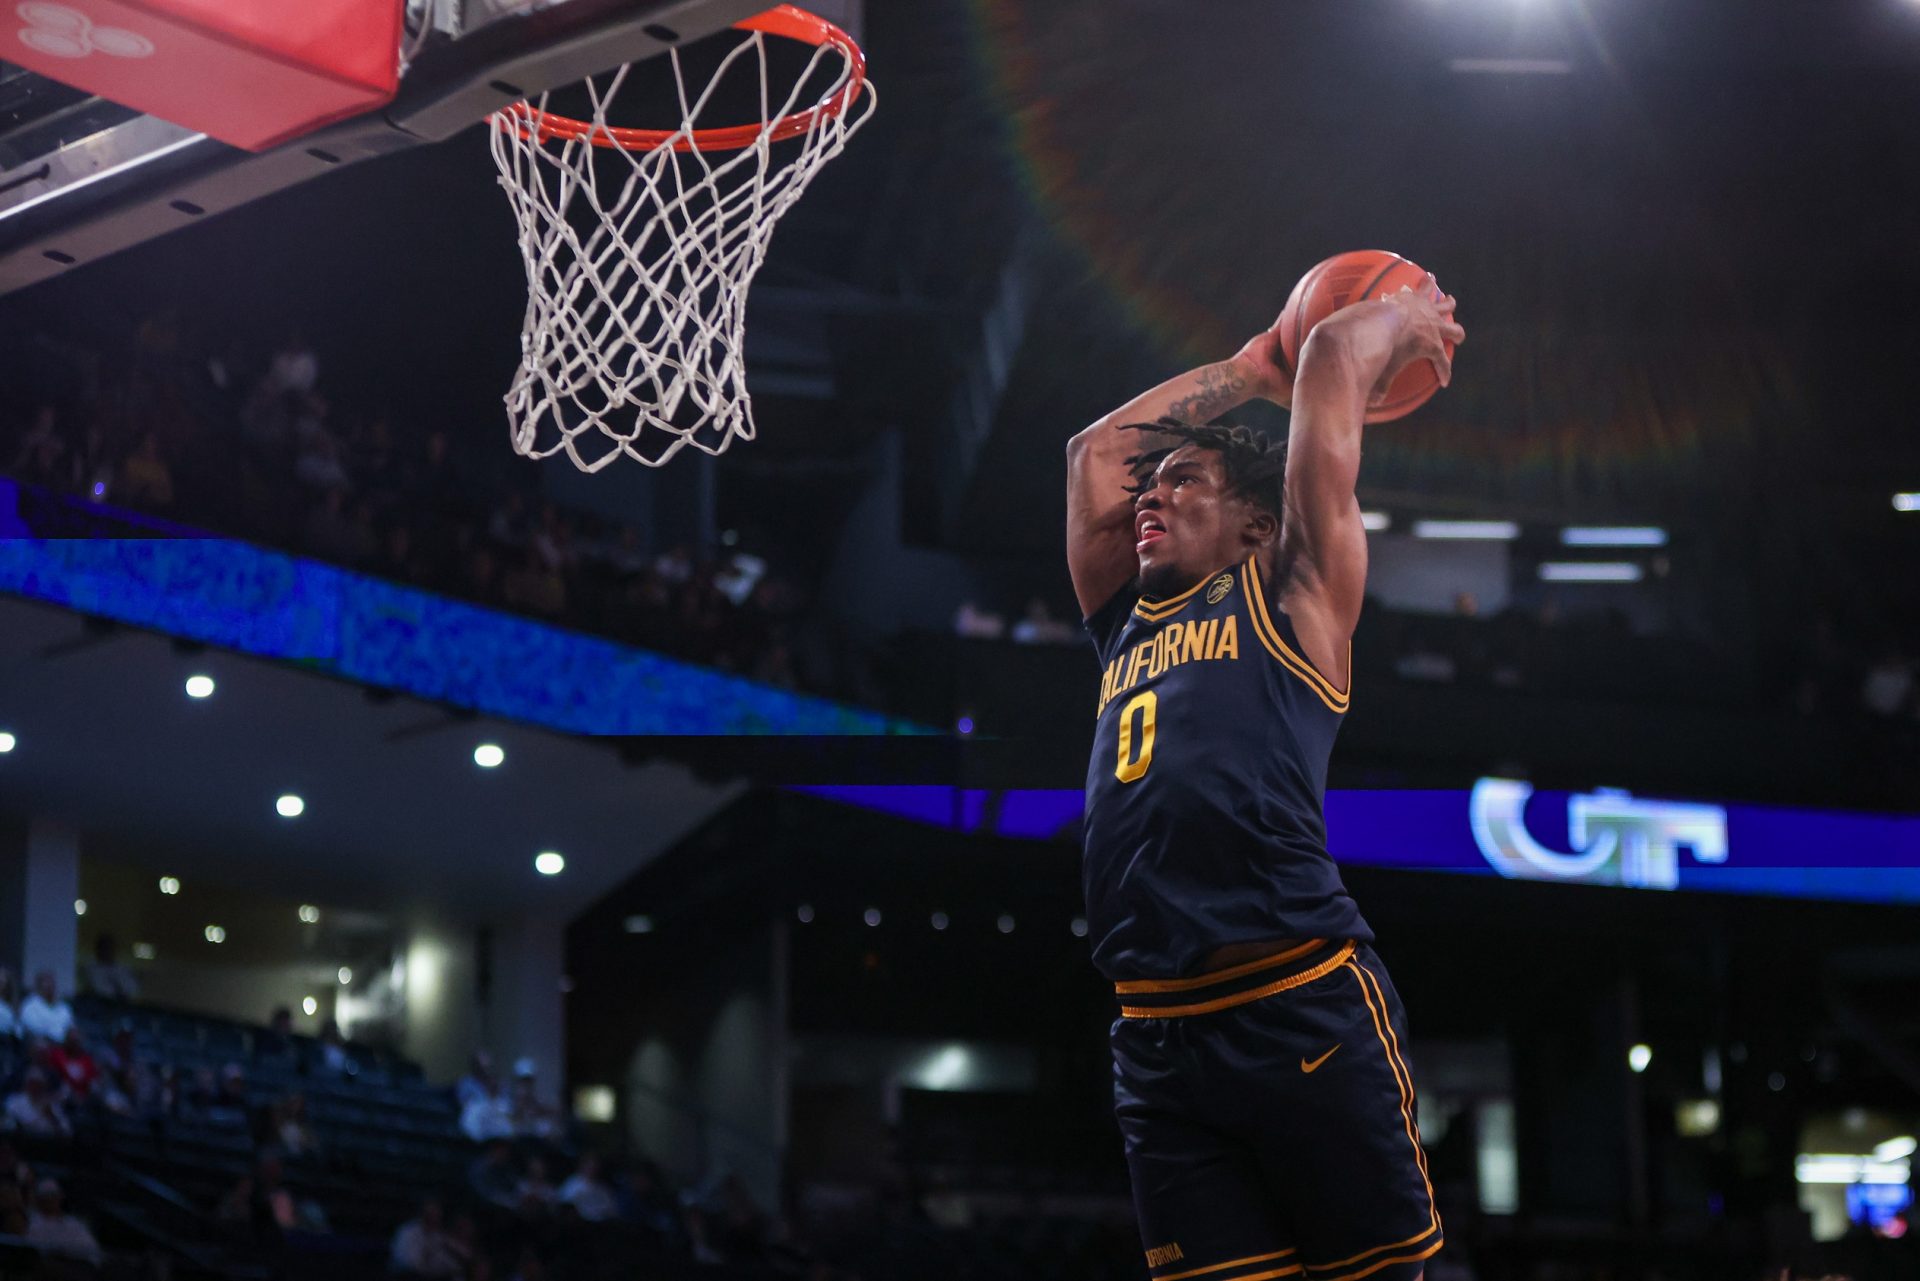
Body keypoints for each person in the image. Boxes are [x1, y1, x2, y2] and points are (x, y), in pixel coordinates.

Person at [1064, 276, 1464, 1281]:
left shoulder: (1295, 596)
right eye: (1156, 488)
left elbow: (1330, 351)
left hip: (1295, 1003)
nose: (1151, 493)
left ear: (1253, 525)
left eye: (1185, 481)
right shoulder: (1124, 618)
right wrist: (1246, 370)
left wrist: (1395, 318)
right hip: (1156, 1035)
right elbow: (1096, 454)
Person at [24, 1179, 101, 1266]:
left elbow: (92, 1250)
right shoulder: (32, 1222)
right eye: (47, 1196)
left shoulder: (73, 1223)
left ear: (60, 1197)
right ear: (39, 1199)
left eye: (54, 1195)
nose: (51, 1200)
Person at [390, 1196, 467, 1278]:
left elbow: (457, 1258)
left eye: (437, 1213)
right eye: (431, 1212)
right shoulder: (407, 1231)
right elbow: (405, 1262)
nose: (435, 1216)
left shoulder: (439, 1236)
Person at [4, 1070, 71, 1138]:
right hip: (22, 1141)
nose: (35, 1088)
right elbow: (8, 1123)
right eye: (32, 1084)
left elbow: (66, 1131)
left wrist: (51, 1117)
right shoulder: (15, 1101)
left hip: (46, 1143)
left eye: (39, 1085)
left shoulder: (52, 1105)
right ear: (27, 1084)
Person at [558, 1152, 619, 1223]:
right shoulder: (571, 1184)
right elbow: (565, 1205)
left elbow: (612, 1209)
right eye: (589, 1164)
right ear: (582, 1165)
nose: (592, 1167)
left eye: (595, 1164)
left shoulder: (602, 1187)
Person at [18, 972, 73, 1042]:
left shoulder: (63, 1007)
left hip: (65, 1044)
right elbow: (33, 1029)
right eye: (46, 985)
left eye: (52, 985)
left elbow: (70, 1026)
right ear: (38, 987)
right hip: (42, 1043)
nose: (49, 988)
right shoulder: (29, 1005)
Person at [83, 935, 139, 1001]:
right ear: (98, 950)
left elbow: (132, 989)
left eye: (109, 948)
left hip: (122, 1007)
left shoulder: (122, 969)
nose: (107, 951)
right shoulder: (91, 969)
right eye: (104, 948)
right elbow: (100, 990)